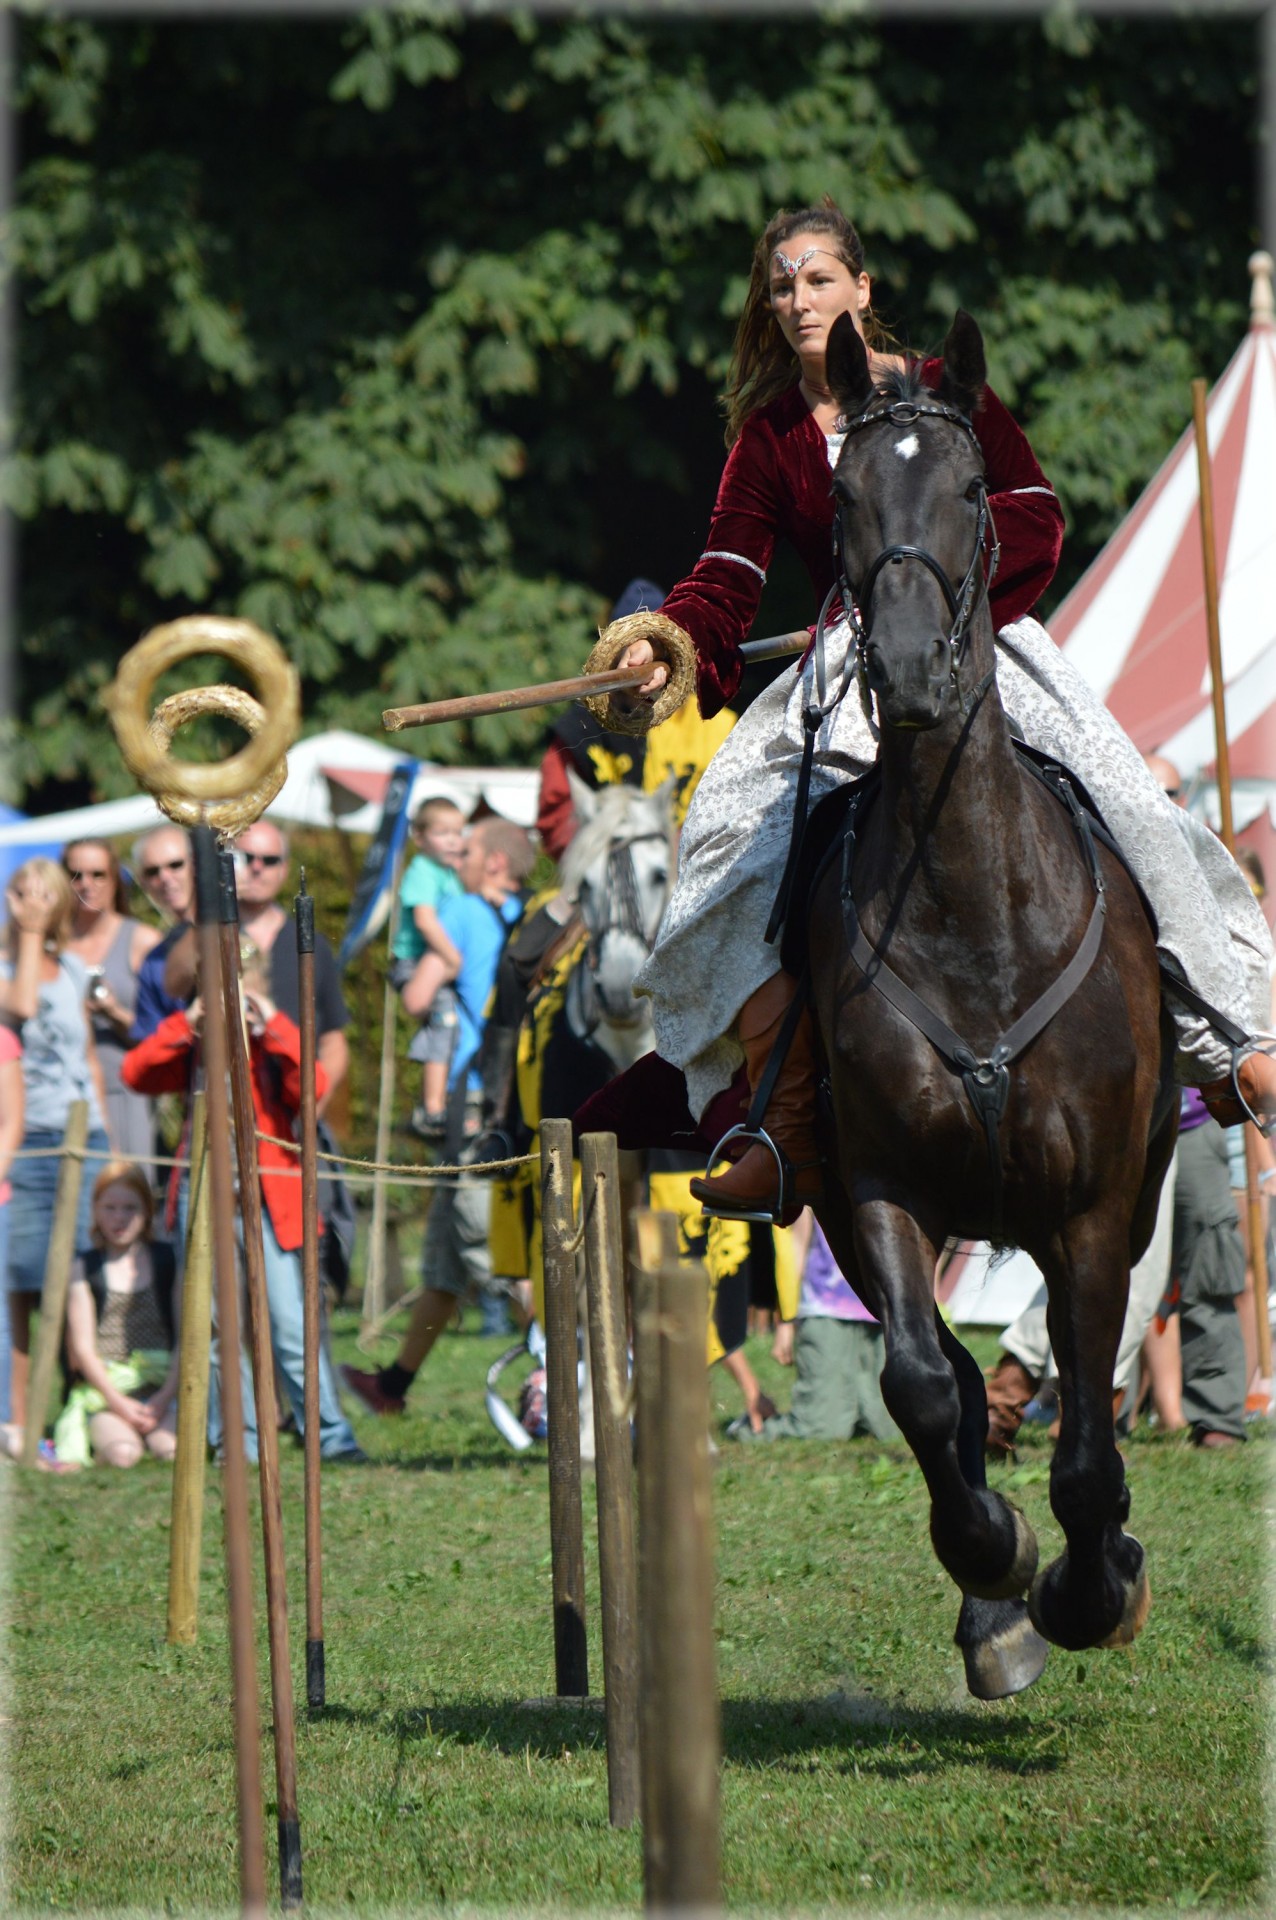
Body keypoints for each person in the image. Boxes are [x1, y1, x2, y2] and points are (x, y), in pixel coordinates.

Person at [589, 201, 1275, 1219]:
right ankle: (782, 1124)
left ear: (861, 289)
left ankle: (1230, 1043)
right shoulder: (771, 436)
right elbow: (727, 575)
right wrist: (666, 646)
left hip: (979, 647)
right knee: (724, 841)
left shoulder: (940, 394)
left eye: (817, 278)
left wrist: (940, 610)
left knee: (1133, 802)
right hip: (842, 670)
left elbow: (1034, 513)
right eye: (781, 285)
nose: (797, 300)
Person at [121, 935, 364, 1463]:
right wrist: (187, 1025)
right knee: (213, 1328)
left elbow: (314, 1086)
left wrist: (273, 1026)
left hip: (269, 1194)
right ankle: (238, 1440)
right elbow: (137, 1073)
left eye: (239, 977)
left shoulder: (272, 1034)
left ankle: (330, 1436)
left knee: (288, 1321)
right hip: (203, 1191)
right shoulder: (194, 1036)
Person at [342, 816, 534, 1415]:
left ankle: (578, 1366)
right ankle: (392, 1386)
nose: (460, 859)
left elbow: (417, 997)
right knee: (447, 1268)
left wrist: (434, 968)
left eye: (471, 849)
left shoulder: (462, 912)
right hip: (514, 1099)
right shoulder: (532, 917)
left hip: (472, 1104)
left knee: (491, 1249)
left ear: (494, 864)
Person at [1, 859, 110, 1436]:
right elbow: (17, 1010)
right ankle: (16, 1418)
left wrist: (110, 1141)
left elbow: (87, 1054)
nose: (33, 901)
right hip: (29, 1140)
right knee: (20, 1282)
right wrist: (27, 934)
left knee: (77, 1279)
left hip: (82, 1133)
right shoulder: (4, 968)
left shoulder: (70, 967)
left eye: (45, 894)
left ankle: (76, 1413)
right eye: (23, 892)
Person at [54, 1160, 179, 1468]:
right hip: (107, 1391)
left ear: (147, 1210)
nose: (119, 1218)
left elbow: (185, 1339)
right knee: (124, 1454)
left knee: (171, 1451)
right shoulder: (85, 1267)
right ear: (95, 1209)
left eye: (130, 1208)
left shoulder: (168, 1260)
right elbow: (83, 1348)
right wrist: (118, 1403)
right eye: (110, 1207)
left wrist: (164, 1398)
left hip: (163, 1387)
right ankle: (104, 1431)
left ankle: (155, 1429)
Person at [742, 1213, 899, 1443]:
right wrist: (786, 1318)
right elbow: (796, 1241)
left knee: (892, 1430)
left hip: (886, 1311)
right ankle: (751, 1428)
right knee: (821, 1429)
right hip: (824, 1307)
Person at [62, 838, 161, 1158]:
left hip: (125, 1093)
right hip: (63, 1095)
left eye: (98, 874)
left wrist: (114, 1013)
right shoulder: (53, 944)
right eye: (76, 875)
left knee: (127, 1194)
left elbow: (163, 1035)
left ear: (115, 879)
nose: (86, 885)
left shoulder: (142, 941)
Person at [390, 797, 465, 1140]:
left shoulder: (449, 873)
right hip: (415, 961)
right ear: (419, 837)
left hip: (430, 961)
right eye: (443, 832)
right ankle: (433, 1106)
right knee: (445, 1019)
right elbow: (425, 921)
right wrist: (451, 958)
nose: (453, 840)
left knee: (448, 1024)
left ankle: (443, 1096)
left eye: (458, 832)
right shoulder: (422, 870)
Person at [129, 825, 196, 1043]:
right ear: (143, 881)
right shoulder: (154, 961)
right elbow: (149, 1040)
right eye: (152, 872)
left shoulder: (239, 927)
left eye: (175, 865)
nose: (165, 878)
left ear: (196, 863)